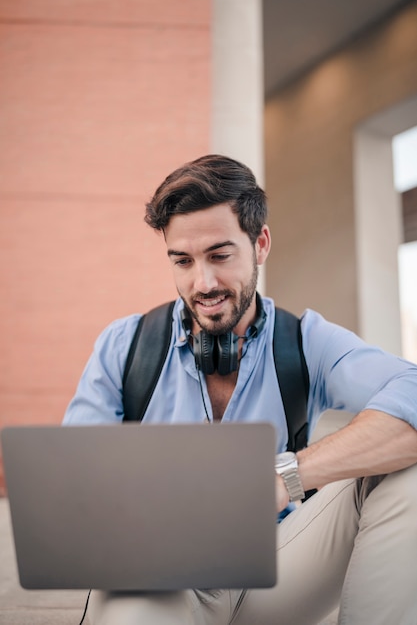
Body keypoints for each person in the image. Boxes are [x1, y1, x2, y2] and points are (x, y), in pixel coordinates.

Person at [64, 154, 417, 625]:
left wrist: (285, 477)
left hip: (275, 571)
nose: (203, 283)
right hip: (161, 574)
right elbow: (71, 484)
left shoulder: (304, 341)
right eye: (183, 261)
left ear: (260, 243)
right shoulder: (124, 347)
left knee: (408, 472)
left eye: (220, 255)